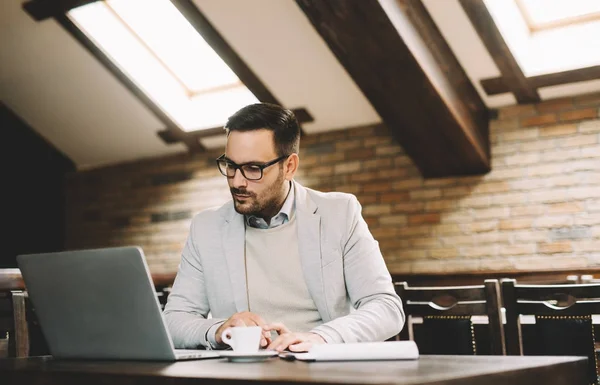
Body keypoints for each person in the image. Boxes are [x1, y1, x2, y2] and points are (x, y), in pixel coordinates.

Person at [163, 103, 404, 352]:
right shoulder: (206, 228)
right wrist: (218, 329)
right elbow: (173, 321)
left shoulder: (340, 213)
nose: (237, 181)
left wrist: (322, 338)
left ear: (289, 166)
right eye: (231, 166)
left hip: (321, 372)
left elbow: (386, 308)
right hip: (241, 376)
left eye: (253, 168)